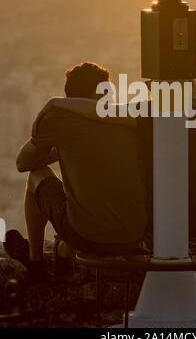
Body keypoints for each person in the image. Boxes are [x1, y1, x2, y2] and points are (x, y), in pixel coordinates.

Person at [30, 75, 196, 254]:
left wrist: (56, 102)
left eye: (152, 84)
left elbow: (101, 111)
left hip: (162, 238)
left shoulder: (150, 114)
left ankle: (51, 253)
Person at [4, 62, 148, 280]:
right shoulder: (128, 120)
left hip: (88, 237)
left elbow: (23, 163)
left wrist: (62, 147)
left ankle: (36, 263)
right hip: (134, 237)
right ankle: (64, 250)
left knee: (37, 176)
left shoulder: (59, 119)